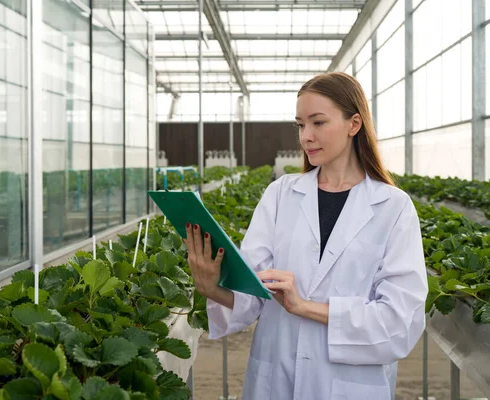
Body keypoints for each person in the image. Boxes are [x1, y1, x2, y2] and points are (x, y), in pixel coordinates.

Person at [183, 72, 428, 400]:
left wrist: (306, 307)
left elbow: (399, 323)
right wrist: (212, 288)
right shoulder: (281, 194)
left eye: (318, 123)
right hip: (276, 379)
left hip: (349, 388)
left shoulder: (392, 207)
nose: (306, 137)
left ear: (354, 124)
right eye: (300, 125)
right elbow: (254, 295)